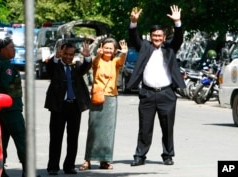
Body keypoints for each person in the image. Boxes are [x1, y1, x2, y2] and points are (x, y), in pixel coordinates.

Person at [127, 5, 186, 166]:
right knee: (144, 128)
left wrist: (177, 22)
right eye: (154, 36)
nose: (157, 38)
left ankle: (167, 155)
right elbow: (134, 37)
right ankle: (140, 156)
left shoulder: (170, 48)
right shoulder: (145, 46)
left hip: (166, 94)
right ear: (151, 36)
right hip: (147, 93)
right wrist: (133, 22)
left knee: (167, 128)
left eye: (160, 36)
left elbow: (179, 39)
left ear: (164, 36)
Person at [0, 37, 39, 177]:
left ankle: (1, 171)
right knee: (22, 139)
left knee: (3, 140)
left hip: (0, 108)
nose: (14, 49)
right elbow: (5, 86)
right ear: (3, 50)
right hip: (11, 109)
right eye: (11, 47)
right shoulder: (6, 66)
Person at [79, 38, 128, 170]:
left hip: (111, 98)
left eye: (111, 48)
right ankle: (87, 160)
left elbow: (122, 60)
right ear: (102, 47)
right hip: (97, 97)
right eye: (106, 47)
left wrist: (123, 53)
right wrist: (98, 54)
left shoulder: (116, 62)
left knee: (108, 131)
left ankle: (105, 160)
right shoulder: (97, 60)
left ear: (114, 51)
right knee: (93, 129)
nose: (108, 50)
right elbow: (93, 62)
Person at [44, 41, 92, 175]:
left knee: (73, 138)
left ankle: (69, 165)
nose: (68, 57)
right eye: (66, 54)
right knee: (56, 138)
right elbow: (50, 69)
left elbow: (86, 67)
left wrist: (87, 57)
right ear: (61, 52)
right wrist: (56, 57)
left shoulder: (76, 66)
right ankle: (53, 166)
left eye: (71, 55)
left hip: (74, 106)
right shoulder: (55, 65)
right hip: (58, 107)